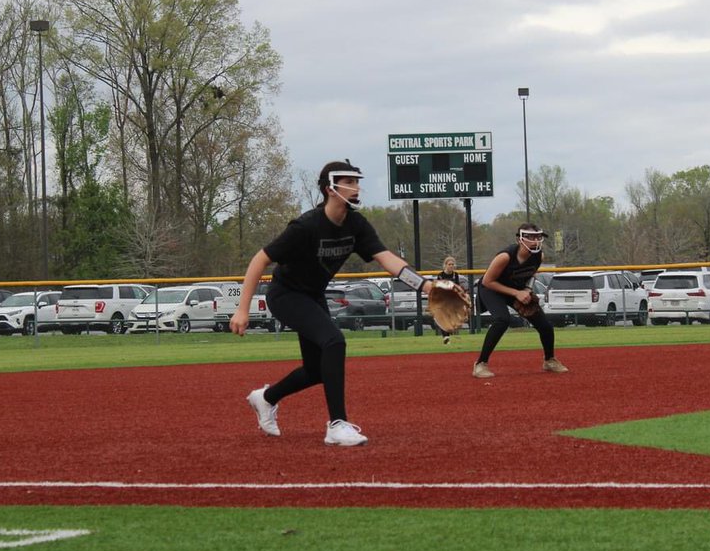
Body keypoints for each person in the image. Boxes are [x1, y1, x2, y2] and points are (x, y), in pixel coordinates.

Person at [234, 160, 436, 446]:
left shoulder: (355, 224)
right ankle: (337, 425)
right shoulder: (306, 226)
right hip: (286, 294)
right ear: (330, 188)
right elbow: (260, 259)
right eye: (349, 182)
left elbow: (387, 258)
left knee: (318, 370)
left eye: (356, 181)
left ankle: (266, 398)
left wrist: (426, 285)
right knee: (334, 341)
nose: (356, 187)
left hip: (312, 295)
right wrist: (242, 310)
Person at [471, 223, 567, 379]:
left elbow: (530, 275)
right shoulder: (505, 256)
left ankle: (549, 360)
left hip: (516, 290)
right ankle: (480, 364)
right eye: (530, 238)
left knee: (545, 325)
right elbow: (487, 281)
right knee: (502, 320)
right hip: (492, 289)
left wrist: (527, 290)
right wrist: (516, 293)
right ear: (519, 239)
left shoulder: (539, 256)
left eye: (537, 237)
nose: (535, 241)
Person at [436, 255, 460, 344]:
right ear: (445, 265)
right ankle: (445, 337)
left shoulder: (455, 275)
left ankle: (447, 334)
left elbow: (457, 286)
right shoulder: (441, 275)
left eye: (452, 264)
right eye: (449, 264)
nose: (451, 266)